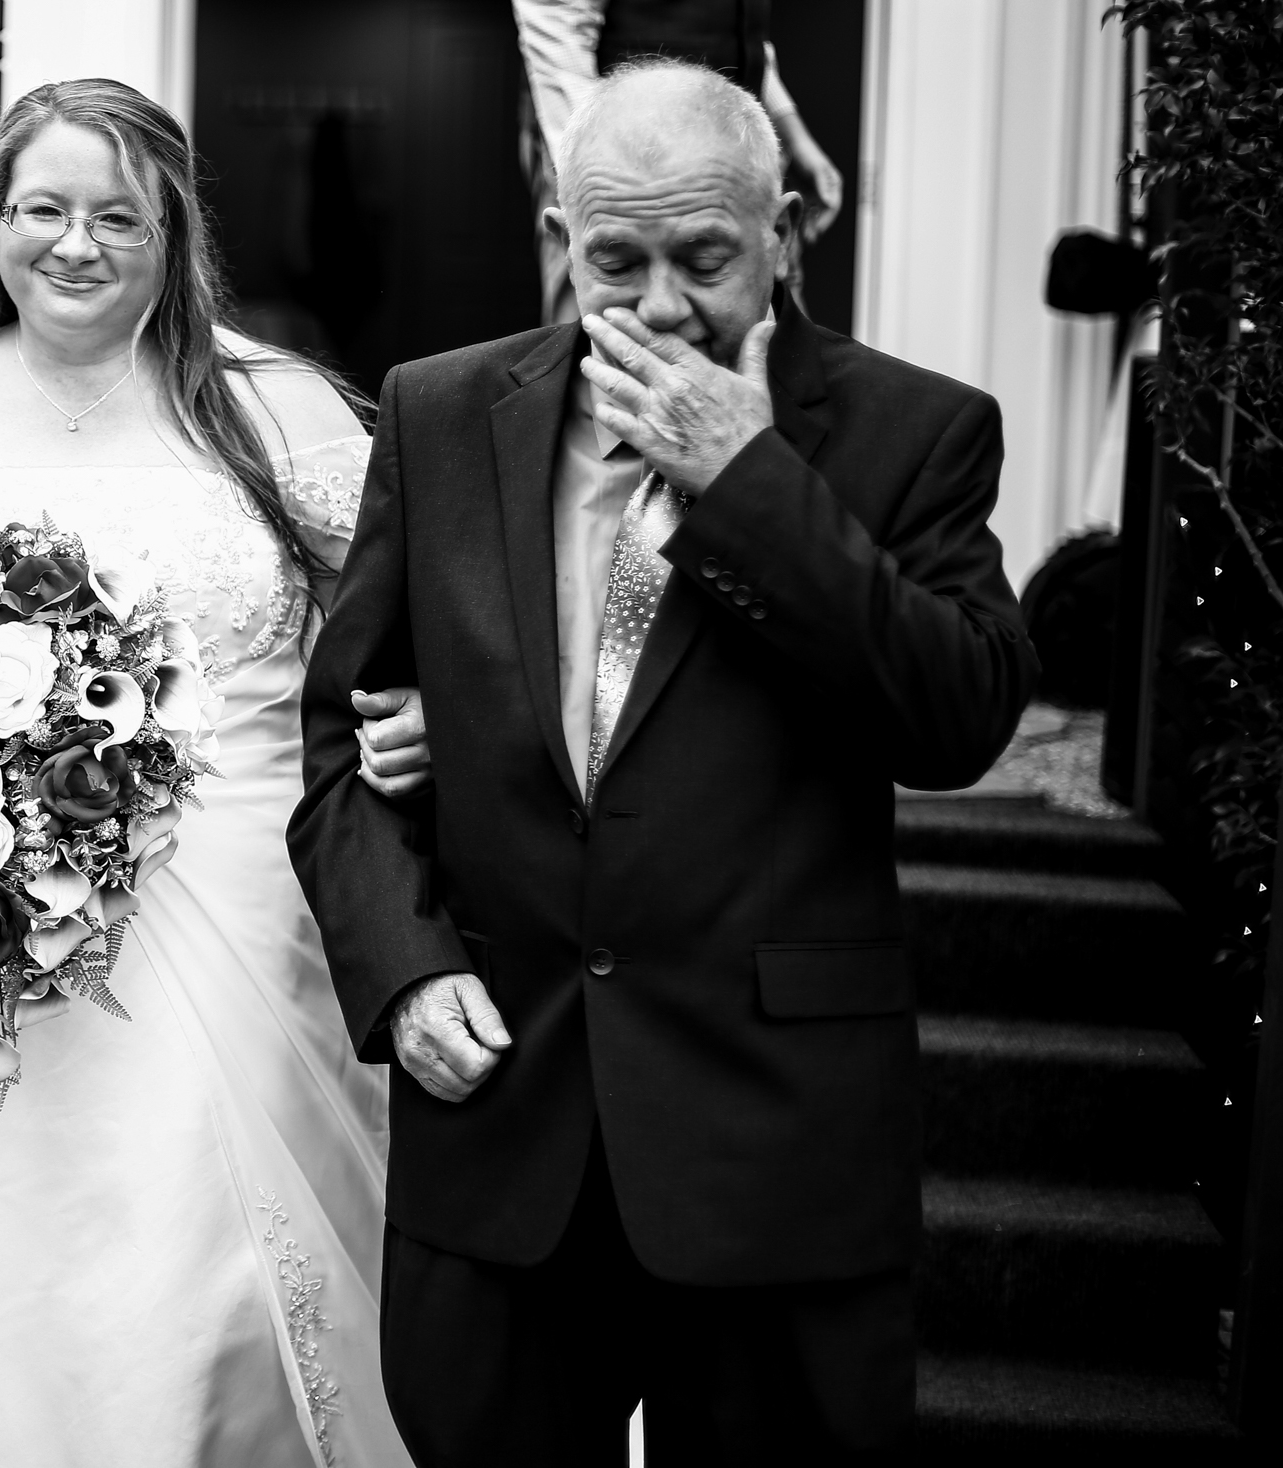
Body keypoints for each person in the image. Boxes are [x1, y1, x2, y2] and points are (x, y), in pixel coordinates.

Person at [290, 58, 1037, 1465]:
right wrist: (402, 960)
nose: (658, 304)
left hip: (773, 1147)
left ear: (788, 234)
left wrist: (750, 484)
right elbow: (341, 740)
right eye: (615, 260)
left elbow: (957, 723)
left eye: (704, 258)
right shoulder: (443, 413)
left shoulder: (916, 432)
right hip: (503, 1125)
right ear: (562, 245)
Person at [0, 78, 425, 1468]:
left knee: (203, 1277)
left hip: (245, 920)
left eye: (117, 214)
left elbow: (402, 640)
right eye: (45, 209)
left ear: (173, 229)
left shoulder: (279, 410)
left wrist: (409, 722)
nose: (76, 243)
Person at [514, 0, 847, 323]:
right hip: (622, 172)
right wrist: (602, 171)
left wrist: (793, 134)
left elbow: (748, 40)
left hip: (736, 156)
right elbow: (556, 27)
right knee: (598, 331)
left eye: (708, 263)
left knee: (778, 326)